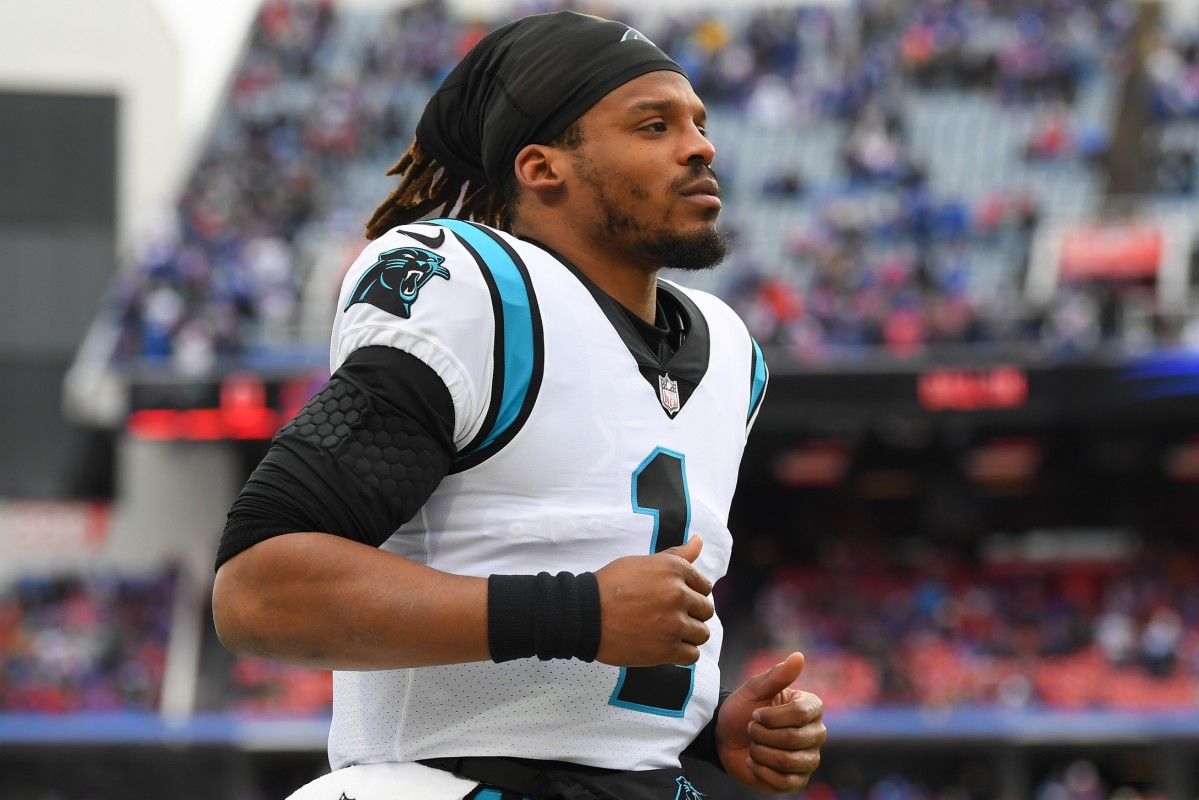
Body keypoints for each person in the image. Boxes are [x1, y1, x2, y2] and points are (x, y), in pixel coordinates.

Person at [212, 11, 825, 800]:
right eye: (653, 124)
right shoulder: (479, 293)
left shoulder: (729, 350)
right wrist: (578, 613)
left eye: (699, 124)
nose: (701, 146)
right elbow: (260, 589)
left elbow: (592, 580)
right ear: (542, 168)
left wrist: (704, 724)